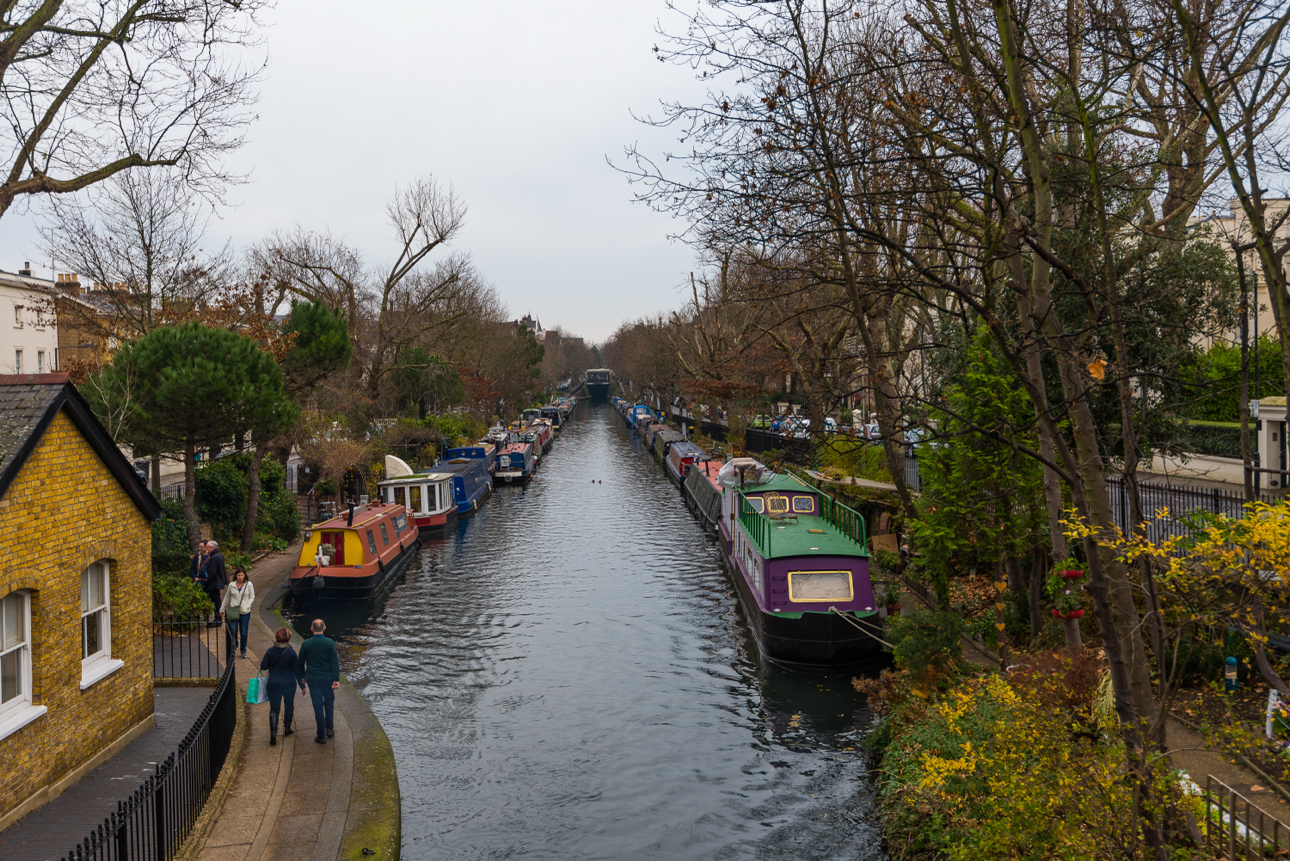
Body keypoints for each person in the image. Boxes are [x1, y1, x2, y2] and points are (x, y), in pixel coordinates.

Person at [297, 618, 340, 744]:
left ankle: (321, 735)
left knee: (317, 706)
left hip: (313, 678)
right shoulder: (330, 643)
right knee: (329, 702)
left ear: (311, 629)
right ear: (324, 628)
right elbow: (334, 662)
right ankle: (330, 728)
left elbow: (300, 662)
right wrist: (335, 678)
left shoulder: (306, 643)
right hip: (327, 678)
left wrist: (303, 676)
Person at [259, 627, 299, 746]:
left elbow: (263, 667)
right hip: (289, 682)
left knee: (274, 708)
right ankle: (287, 728)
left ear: (277, 637)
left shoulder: (271, 651)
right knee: (289, 705)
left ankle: (273, 733)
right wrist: (302, 685)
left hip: (274, 682)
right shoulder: (291, 652)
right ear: (288, 638)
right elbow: (297, 670)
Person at [220, 567, 255, 659]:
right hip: (234, 611)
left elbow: (252, 597)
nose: (240, 577)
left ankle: (243, 650)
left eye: (242, 575)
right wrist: (222, 609)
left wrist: (247, 606)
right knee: (233, 630)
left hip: (244, 612)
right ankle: (235, 645)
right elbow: (227, 597)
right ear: (236, 576)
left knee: (243, 632)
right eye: (238, 575)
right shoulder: (232, 585)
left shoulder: (249, 585)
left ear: (244, 575)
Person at [205, 540, 228, 608]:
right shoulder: (219, 555)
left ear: (212, 548)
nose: (206, 549)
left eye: (207, 547)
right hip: (218, 581)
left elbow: (212, 572)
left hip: (214, 583)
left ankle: (218, 615)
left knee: (216, 600)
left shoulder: (214, 558)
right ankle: (218, 614)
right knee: (217, 599)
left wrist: (207, 581)